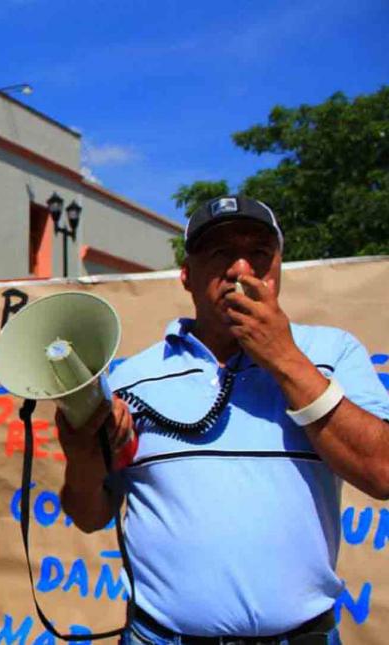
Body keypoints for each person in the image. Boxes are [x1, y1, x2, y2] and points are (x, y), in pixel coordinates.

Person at [56, 196, 389, 643]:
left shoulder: (332, 355)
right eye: (220, 255)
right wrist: (82, 458)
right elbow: (89, 515)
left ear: (278, 268)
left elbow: (382, 471)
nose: (241, 270)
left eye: (259, 254)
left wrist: (284, 358)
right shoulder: (132, 378)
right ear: (188, 276)